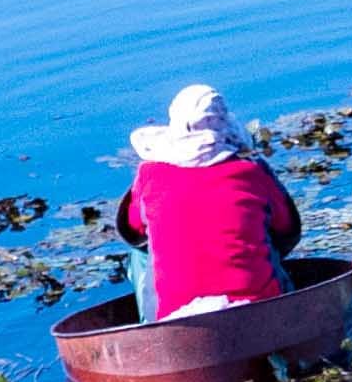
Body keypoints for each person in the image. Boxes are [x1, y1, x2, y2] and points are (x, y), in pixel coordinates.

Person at [120, 83, 302, 321]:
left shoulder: (150, 175)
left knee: (141, 252)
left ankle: (150, 327)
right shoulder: (253, 171)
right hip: (262, 312)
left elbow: (132, 230)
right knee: (268, 238)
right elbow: (287, 230)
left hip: (175, 321)